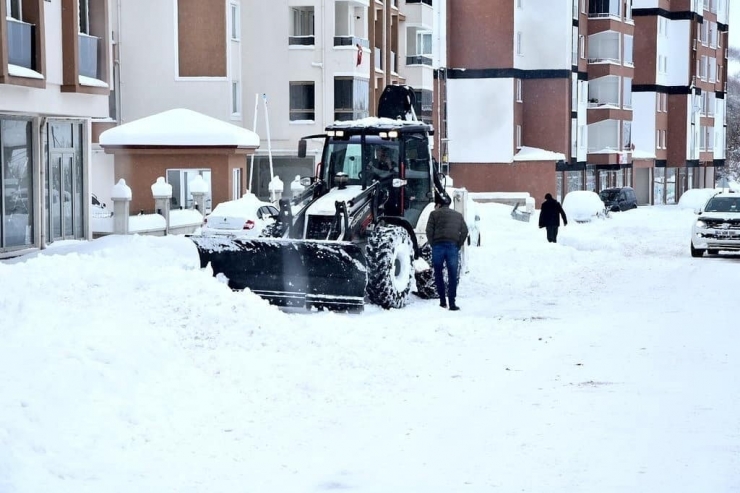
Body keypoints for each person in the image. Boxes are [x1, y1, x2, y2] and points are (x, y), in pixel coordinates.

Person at [425, 194, 468, 310]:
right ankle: (452, 303)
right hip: (452, 247)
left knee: (438, 274)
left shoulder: (434, 214)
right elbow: (465, 230)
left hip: (438, 246)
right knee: (452, 275)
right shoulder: (458, 215)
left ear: (438, 205)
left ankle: (442, 301)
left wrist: (433, 243)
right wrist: (458, 244)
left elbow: (428, 230)